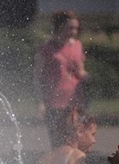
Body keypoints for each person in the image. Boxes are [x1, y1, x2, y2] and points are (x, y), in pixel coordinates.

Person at [34, 10, 88, 148]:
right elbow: (37, 77)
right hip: (54, 101)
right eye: (70, 28)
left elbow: (81, 72)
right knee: (57, 142)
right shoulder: (46, 48)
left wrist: (87, 77)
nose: (74, 31)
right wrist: (40, 102)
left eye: (76, 28)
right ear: (59, 27)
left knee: (75, 139)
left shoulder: (77, 45)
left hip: (75, 99)